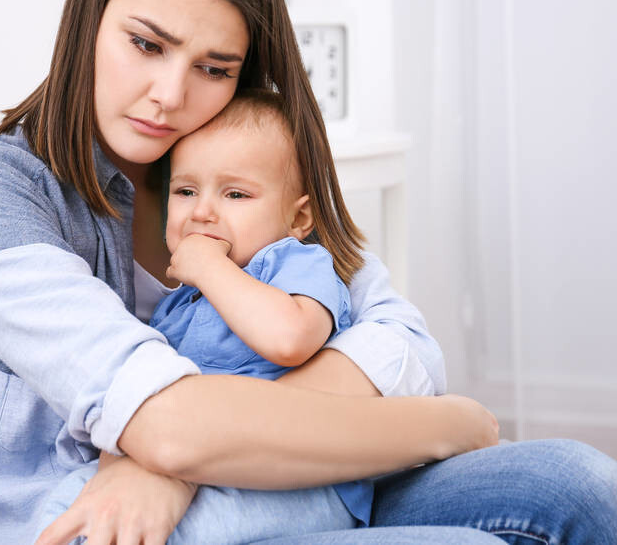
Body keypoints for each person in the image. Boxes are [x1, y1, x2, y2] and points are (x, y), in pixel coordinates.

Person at [0, 0, 617, 545]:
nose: (170, 94)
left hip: (252, 485)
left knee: (582, 484)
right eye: (146, 44)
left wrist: (183, 459)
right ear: (86, 21)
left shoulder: (229, 156)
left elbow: (401, 340)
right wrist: (440, 425)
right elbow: (166, 423)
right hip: (73, 523)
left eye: (213, 68)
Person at [39, 89, 381, 542]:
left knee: (178, 534)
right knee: (67, 507)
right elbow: (138, 403)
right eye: (186, 191)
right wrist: (114, 471)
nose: (202, 211)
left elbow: (290, 338)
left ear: (300, 219)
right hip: (197, 466)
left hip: (297, 477)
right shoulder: (177, 307)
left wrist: (210, 267)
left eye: (235, 193)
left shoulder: (294, 263)